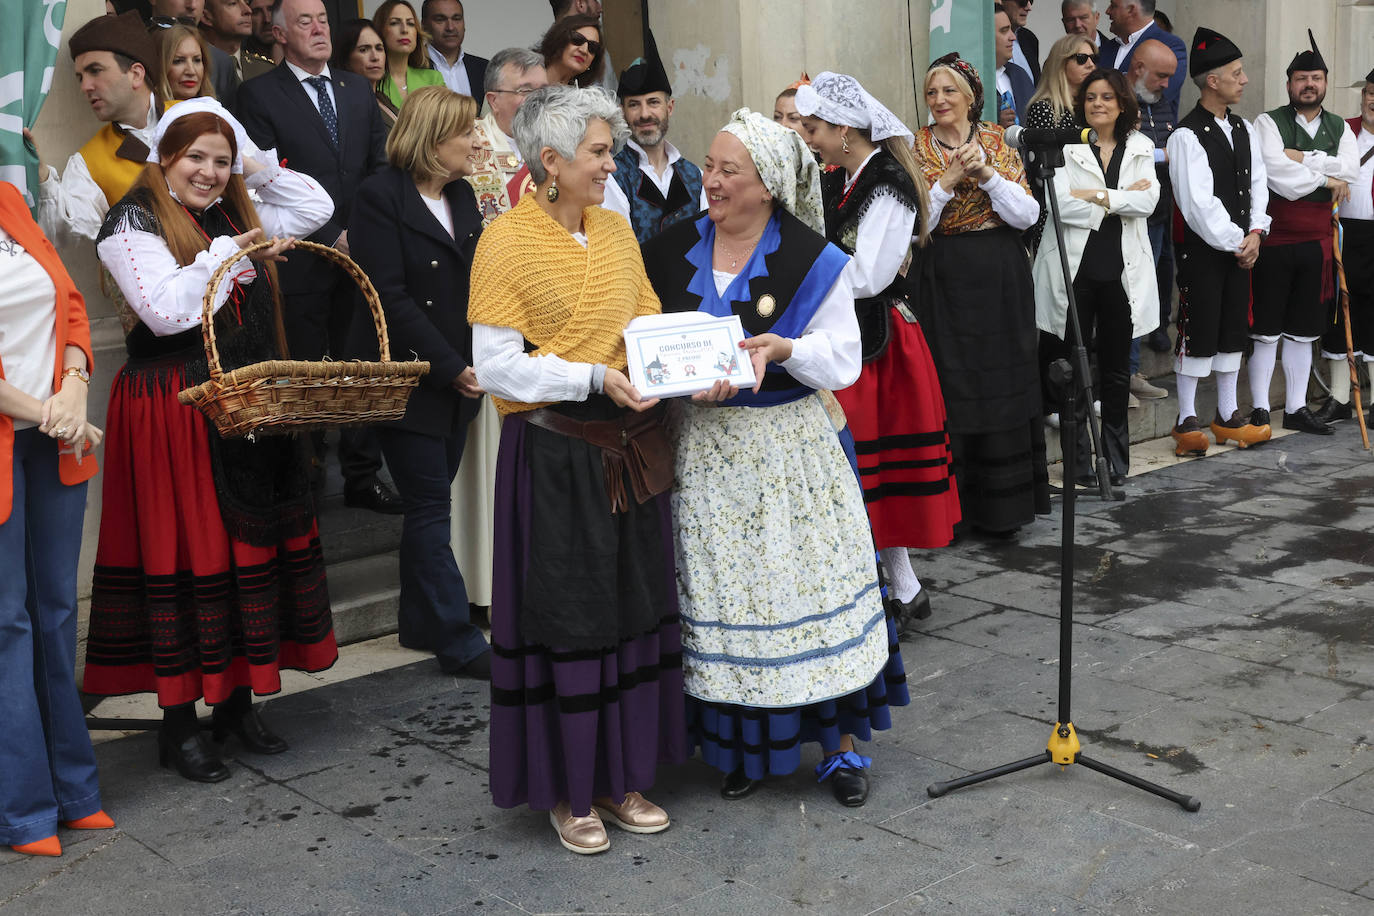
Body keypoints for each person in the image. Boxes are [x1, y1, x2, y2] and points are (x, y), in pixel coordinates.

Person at [641, 107, 906, 808]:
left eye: (730, 170)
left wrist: (786, 349)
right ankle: (744, 749)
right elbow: (650, 341)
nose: (713, 181)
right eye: (712, 166)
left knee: (806, 589)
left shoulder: (811, 258)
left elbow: (844, 357)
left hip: (789, 449)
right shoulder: (669, 251)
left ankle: (841, 750)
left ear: (770, 185)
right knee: (728, 597)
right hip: (704, 450)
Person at [84, 98, 337, 782]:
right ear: (164, 156)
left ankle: (236, 701)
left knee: (244, 548)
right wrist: (229, 255)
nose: (209, 172)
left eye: (220, 162)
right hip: (174, 407)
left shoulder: (232, 208)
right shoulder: (130, 220)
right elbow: (166, 313)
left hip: (242, 401)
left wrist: (252, 166)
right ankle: (179, 723)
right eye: (196, 156)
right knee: (188, 556)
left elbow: (314, 206)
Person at [469, 84, 683, 855]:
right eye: (598, 151)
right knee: (570, 616)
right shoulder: (505, 244)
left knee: (630, 604)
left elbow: (650, 317)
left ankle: (622, 775)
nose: (611, 162)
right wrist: (592, 378)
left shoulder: (617, 230)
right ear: (550, 162)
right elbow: (497, 368)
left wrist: (689, 362)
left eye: (611, 149)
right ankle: (570, 789)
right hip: (557, 455)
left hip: (629, 447)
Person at [794, 72, 958, 634]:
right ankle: (899, 586)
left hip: (878, 342)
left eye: (814, 128)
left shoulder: (887, 182)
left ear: (844, 129)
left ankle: (894, 586)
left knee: (873, 465)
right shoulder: (846, 176)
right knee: (865, 468)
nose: (808, 138)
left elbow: (868, 274)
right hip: (854, 335)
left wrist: (804, 270)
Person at [348, 87, 491, 678]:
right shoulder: (378, 196)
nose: (476, 141)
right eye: (466, 132)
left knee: (430, 506)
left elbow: (477, 279)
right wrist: (450, 366)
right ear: (434, 139)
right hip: (410, 378)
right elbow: (389, 296)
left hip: (459, 374)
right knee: (431, 506)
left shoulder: (461, 194)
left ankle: (416, 621)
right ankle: (459, 640)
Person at [237, 0, 399, 514]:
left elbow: (379, 162)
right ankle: (306, 476)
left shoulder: (356, 89)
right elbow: (263, 183)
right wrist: (332, 234)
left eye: (323, 20)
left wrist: (362, 230)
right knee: (305, 369)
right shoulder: (258, 94)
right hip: (301, 258)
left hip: (362, 253)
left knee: (363, 365)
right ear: (280, 35)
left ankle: (362, 475)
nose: (318, 29)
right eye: (304, 22)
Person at [0, 182, 115, 858]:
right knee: (7, 624)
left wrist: (74, 382)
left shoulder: (10, 201)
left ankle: (75, 791)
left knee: (54, 611)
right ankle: (24, 810)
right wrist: (49, 409)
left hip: (53, 435)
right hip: (24, 430)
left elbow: (70, 300)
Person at [913, 54, 1048, 536]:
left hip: (999, 275)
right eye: (932, 93)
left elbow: (1028, 215)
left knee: (1001, 380)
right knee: (951, 383)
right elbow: (913, 226)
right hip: (942, 274)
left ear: (971, 96)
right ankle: (953, 509)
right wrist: (947, 182)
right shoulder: (914, 147)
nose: (939, 101)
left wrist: (988, 175)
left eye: (949, 91)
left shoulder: (997, 140)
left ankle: (1004, 511)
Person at [451, 47, 547, 621]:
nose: (539, 100)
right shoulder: (471, 146)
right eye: (529, 92)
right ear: (496, 99)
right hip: (489, 323)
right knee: (487, 466)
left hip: (548, 326)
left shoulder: (547, 148)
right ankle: (483, 588)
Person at [1032, 69, 1159, 486]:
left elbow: (1149, 201)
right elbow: (1062, 205)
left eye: (1107, 97)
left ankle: (1116, 461)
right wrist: (1119, 199)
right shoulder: (1065, 145)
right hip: (1076, 272)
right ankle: (1080, 463)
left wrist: (1097, 195)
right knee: (1075, 368)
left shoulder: (1140, 145)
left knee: (1118, 371)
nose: (1098, 104)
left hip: (1122, 273)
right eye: (1090, 98)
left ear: (1122, 103)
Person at [1165, 28, 1271, 456]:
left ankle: (1227, 415)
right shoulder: (1186, 136)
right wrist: (1236, 241)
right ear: (1212, 80)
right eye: (1236, 72)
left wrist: (1256, 232)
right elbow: (1197, 204)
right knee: (1199, 325)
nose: (1244, 80)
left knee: (1232, 325)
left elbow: (1258, 184)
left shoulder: (1244, 128)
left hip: (1240, 250)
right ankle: (1185, 417)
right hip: (1204, 251)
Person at [1252, 34, 1359, 434]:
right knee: (1265, 330)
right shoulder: (1267, 121)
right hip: (1275, 240)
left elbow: (1350, 171)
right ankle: (1261, 409)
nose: (1308, 84)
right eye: (1301, 78)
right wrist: (1326, 177)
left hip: (1318, 246)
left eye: (1315, 77)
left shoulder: (1339, 126)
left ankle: (1296, 409)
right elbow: (1279, 178)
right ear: (1289, 84)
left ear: (1326, 83)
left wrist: (1306, 159)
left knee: (1302, 331)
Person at [34, 11, 165, 247]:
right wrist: (41, 174)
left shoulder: (202, 115)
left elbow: (249, 186)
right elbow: (68, 229)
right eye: (80, 77)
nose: (85, 86)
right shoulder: (89, 161)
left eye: (95, 71)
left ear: (136, 74)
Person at [602, 31, 703, 241]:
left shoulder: (696, 175)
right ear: (622, 112)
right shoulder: (612, 176)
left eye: (653, 102)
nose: (645, 114)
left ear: (670, 107)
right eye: (634, 105)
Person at [1128, 38, 1182, 360]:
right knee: (1131, 295)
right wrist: (1163, 154)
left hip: (1159, 212)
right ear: (1138, 68)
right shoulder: (1115, 96)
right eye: (1160, 75)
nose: (1166, 84)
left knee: (1147, 292)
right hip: (1129, 215)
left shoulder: (1159, 100)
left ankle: (1134, 369)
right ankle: (1126, 373)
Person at [1328, 69, 1374, 426]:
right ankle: (1339, 398)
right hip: (1341, 232)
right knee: (1338, 309)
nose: (1372, 100)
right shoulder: (1343, 130)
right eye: (1369, 93)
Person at [1024, 33, 1097, 250]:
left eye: (1094, 58)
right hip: (1056, 214)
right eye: (1082, 58)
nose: (1091, 64)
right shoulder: (1044, 108)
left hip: (1092, 210)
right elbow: (1044, 176)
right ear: (1061, 63)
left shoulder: (1092, 109)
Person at [1099, 0, 1185, 112]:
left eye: (1113, 6)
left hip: (1150, 128)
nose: (1107, 11)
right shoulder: (1105, 49)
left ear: (1131, 10)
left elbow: (1161, 95)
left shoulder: (1170, 45)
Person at [372, 0, 444, 110]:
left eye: (410, 24)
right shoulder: (371, 81)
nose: (405, 30)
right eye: (394, 23)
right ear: (380, 30)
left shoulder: (433, 79)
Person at [332, 19, 399, 128]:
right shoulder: (345, 106)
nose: (375, 57)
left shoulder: (382, 98)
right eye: (363, 50)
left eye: (379, 48)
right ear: (346, 58)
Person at [200, 0, 273, 88]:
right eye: (233, 3)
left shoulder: (264, 69)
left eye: (246, 3)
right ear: (206, 17)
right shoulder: (196, 70)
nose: (248, 10)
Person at [423, 0, 487, 98]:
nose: (450, 27)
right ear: (424, 26)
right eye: (440, 19)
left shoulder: (485, 69)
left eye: (456, 19)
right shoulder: (410, 66)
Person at [538, 14, 604, 88]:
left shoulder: (582, 98)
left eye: (593, 47)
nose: (584, 50)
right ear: (559, 38)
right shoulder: (524, 75)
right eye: (577, 39)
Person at [994, 4, 1034, 127]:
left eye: (1011, 30)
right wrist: (995, 123)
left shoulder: (1020, 75)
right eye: (1004, 31)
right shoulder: (969, 81)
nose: (1013, 37)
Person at [157, 23, 216, 101]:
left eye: (197, 60)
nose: (191, 71)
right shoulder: (147, 112)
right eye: (178, 61)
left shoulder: (216, 111)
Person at [1005, 0, 1041, 83]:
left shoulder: (1029, 38)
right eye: (1022, 1)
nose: (1029, 7)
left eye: (1031, 1)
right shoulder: (985, 39)